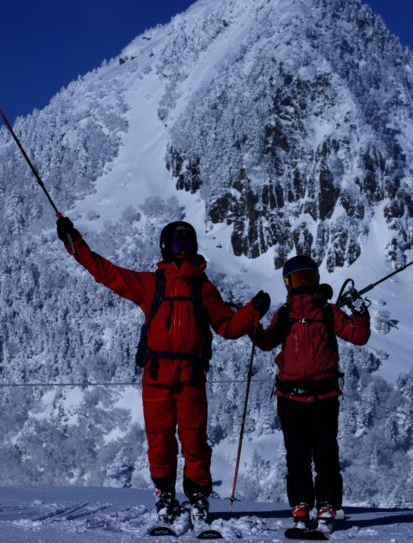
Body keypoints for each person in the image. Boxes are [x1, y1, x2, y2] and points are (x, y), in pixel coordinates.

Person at [56, 216, 271, 524]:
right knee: (161, 440)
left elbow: (227, 326)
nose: (183, 250)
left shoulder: (204, 289)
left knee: (194, 439)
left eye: (189, 244)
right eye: (177, 244)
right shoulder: (151, 284)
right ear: (166, 248)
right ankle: (165, 493)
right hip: (158, 375)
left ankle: (197, 494)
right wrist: (71, 240)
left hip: (190, 376)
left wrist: (253, 311)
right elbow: (103, 271)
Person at [251, 255, 370, 530]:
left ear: (317, 279)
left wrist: (360, 313)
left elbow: (358, 336)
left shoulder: (328, 312)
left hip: (323, 396)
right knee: (297, 454)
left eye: (308, 278)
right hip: (290, 397)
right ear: (288, 284)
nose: (303, 285)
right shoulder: (285, 314)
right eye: (297, 279)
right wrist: (252, 322)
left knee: (325, 453)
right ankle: (301, 503)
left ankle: (328, 503)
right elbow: (267, 342)